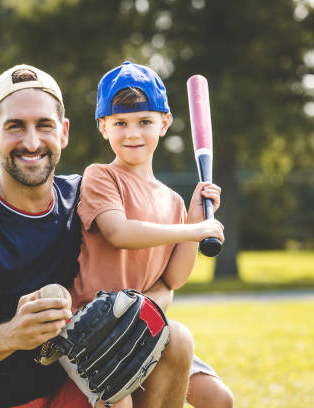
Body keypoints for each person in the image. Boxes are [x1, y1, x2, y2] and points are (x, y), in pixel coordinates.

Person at [0, 64, 194, 408]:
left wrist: (195, 219)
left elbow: (160, 277)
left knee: (176, 342)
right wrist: (13, 334)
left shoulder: (87, 198)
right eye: (16, 126)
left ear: (63, 132)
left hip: (64, 391)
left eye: (44, 125)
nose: (32, 142)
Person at [69, 61, 234, 408]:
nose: (132, 133)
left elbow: (172, 278)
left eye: (145, 121)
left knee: (218, 399)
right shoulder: (101, 176)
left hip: (143, 328)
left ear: (165, 123)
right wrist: (192, 227)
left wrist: (191, 217)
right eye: (120, 124)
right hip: (94, 331)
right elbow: (118, 232)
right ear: (103, 127)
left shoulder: (172, 203)